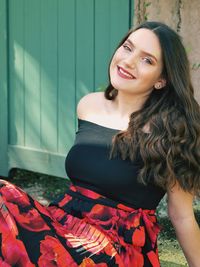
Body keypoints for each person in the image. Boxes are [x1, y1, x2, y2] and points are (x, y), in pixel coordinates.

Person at [0, 21, 200, 267]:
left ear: (161, 80)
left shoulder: (173, 131)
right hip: (63, 228)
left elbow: (181, 215)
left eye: (147, 60)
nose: (128, 61)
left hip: (115, 247)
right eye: (128, 48)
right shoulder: (89, 106)